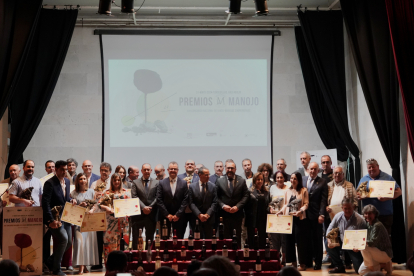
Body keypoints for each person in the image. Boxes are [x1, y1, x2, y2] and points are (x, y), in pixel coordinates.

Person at [356, 158, 402, 235]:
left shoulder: (387, 177)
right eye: (369, 168)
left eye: (373, 167)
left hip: (384, 216)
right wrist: (362, 196)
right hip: (368, 217)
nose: (371, 169)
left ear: (378, 166)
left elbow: (399, 192)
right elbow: (357, 195)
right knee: (370, 241)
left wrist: (386, 197)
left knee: (385, 240)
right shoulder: (363, 180)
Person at [42, 160, 72, 276]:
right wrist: (50, 221)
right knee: (64, 239)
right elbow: (46, 203)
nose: (65, 172)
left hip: (66, 217)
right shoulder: (49, 183)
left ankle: (50, 261)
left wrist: (71, 200)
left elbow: (65, 200)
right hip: (54, 219)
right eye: (62, 169)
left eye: (66, 169)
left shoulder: (68, 182)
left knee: (68, 242)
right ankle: (56, 269)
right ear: (56, 170)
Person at [277, 172, 311, 271]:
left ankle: (302, 263)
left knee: (300, 242)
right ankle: (293, 262)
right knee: (289, 241)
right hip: (289, 218)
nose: (292, 180)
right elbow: (286, 204)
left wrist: (300, 211)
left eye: (295, 178)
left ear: (299, 180)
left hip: (299, 218)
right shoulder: (288, 191)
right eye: (291, 178)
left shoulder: (303, 190)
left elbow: (306, 204)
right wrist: (280, 211)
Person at [324, 166, 357, 266]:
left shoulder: (349, 185)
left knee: (346, 238)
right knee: (332, 239)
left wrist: (350, 208)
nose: (337, 175)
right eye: (335, 173)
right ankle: (335, 263)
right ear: (332, 175)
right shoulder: (328, 185)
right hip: (332, 217)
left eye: (339, 173)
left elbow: (355, 200)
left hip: (347, 217)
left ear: (343, 174)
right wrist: (326, 207)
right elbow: (325, 201)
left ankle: (347, 262)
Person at [326, 198, 367, 274]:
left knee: (359, 270)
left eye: (349, 208)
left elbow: (364, 237)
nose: (347, 210)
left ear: (353, 207)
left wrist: (358, 247)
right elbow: (329, 229)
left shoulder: (360, 220)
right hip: (341, 242)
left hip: (354, 247)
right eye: (345, 208)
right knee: (327, 243)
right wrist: (329, 240)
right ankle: (339, 266)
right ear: (342, 208)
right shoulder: (338, 216)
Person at [99, 173, 131, 263]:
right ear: (111, 181)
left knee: (123, 245)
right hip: (110, 224)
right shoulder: (106, 192)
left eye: (118, 180)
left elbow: (131, 206)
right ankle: (110, 268)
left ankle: (122, 267)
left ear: (120, 181)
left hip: (123, 223)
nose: (116, 182)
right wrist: (107, 208)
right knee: (109, 245)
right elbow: (100, 204)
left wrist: (129, 213)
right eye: (114, 180)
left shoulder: (126, 192)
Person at [70, 173, 99, 274]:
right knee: (79, 243)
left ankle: (84, 266)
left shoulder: (91, 191)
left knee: (87, 244)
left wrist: (92, 210)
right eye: (80, 179)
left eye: (84, 179)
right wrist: (79, 205)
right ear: (77, 181)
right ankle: (81, 267)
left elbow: (95, 204)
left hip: (89, 221)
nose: (83, 180)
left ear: (87, 180)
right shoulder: (73, 193)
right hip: (78, 221)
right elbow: (71, 209)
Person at [216, 160, 249, 246]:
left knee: (237, 238)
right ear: (225, 169)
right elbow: (216, 197)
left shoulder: (241, 180)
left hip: (237, 215)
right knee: (225, 239)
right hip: (223, 215)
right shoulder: (219, 181)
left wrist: (237, 207)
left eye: (232, 168)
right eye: (228, 168)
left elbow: (246, 196)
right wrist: (223, 206)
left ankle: (236, 257)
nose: (230, 170)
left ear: (235, 169)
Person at [302, 162, 328, 270]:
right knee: (306, 239)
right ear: (307, 169)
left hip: (316, 215)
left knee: (317, 239)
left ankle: (318, 262)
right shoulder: (302, 180)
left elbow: (323, 200)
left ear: (318, 170)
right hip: (303, 215)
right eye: (311, 169)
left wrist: (321, 214)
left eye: (315, 169)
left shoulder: (322, 182)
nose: (312, 171)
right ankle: (308, 262)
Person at [157, 161, 189, 238]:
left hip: (179, 217)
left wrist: (178, 214)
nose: (173, 170)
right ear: (168, 170)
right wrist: (167, 215)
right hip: (165, 216)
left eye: (175, 169)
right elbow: (159, 199)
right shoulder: (161, 183)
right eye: (171, 169)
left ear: (178, 170)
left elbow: (185, 200)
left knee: (179, 238)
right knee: (164, 239)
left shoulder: (184, 183)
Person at [358, 205, 393, 276]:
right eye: (366, 213)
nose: (367, 215)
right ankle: (384, 265)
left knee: (363, 246)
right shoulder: (368, 224)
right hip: (375, 253)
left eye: (370, 213)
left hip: (385, 253)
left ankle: (374, 267)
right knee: (361, 271)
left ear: (375, 214)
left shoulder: (377, 225)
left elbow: (372, 242)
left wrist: (359, 244)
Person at [90, 162, 112, 270]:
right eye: (102, 170)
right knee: (98, 240)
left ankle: (109, 263)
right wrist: (95, 196)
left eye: (106, 170)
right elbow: (91, 200)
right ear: (100, 171)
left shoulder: (112, 183)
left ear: (110, 172)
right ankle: (98, 262)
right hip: (98, 214)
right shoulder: (94, 183)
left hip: (109, 216)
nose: (104, 172)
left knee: (108, 240)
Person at [131, 163, 159, 249]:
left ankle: (148, 258)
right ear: (142, 171)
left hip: (151, 215)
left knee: (149, 238)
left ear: (151, 171)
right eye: (145, 170)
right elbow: (134, 196)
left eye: (148, 169)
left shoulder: (157, 182)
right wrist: (143, 207)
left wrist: (149, 207)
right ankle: (136, 258)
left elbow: (158, 197)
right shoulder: (135, 182)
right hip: (138, 215)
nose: (146, 171)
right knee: (136, 238)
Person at [188, 166, 217, 239]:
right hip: (196, 219)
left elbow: (214, 202)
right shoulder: (192, 186)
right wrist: (199, 215)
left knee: (209, 242)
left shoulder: (213, 186)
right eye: (206, 175)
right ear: (200, 175)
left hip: (209, 219)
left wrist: (207, 214)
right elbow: (191, 203)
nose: (208, 177)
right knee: (197, 243)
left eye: (209, 174)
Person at [269, 171, 290, 264]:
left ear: (284, 178)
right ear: (275, 179)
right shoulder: (272, 188)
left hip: (285, 217)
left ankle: (284, 260)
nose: (279, 179)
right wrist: (270, 207)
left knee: (284, 240)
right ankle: (276, 259)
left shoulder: (288, 188)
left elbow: (289, 202)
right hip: (274, 217)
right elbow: (269, 201)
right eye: (277, 177)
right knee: (275, 240)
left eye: (281, 177)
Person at [178, 160, 199, 233]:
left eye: (192, 164)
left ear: (195, 166)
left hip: (195, 210)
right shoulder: (179, 177)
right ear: (185, 166)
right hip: (182, 210)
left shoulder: (199, 177)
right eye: (188, 164)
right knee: (179, 233)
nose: (190, 165)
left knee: (195, 234)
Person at [250, 172, 270, 249]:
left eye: (261, 179)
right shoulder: (250, 192)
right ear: (254, 180)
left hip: (264, 220)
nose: (260, 181)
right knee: (253, 239)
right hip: (253, 220)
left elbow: (268, 204)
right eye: (258, 179)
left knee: (263, 239)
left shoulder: (266, 192)